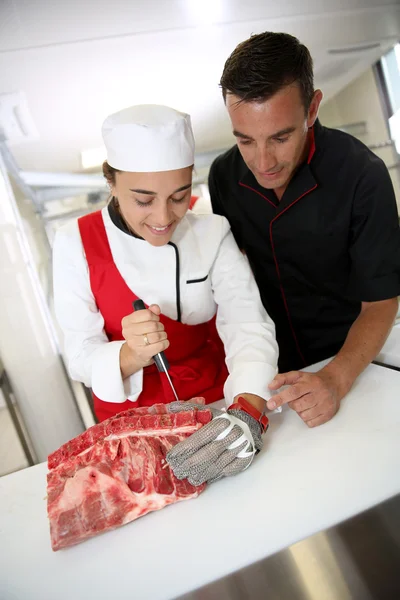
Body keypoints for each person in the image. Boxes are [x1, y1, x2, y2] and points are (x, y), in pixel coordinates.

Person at [53, 104, 278, 484]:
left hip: (217, 402)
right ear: (110, 182)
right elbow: (78, 353)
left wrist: (247, 410)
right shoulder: (74, 242)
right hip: (132, 422)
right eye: (143, 200)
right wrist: (129, 354)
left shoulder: (211, 233)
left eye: (178, 196)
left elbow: (248, 325)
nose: (162, 219)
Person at [209, 32, 400, 428]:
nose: (263, 162)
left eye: (280, 137)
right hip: (277, 375)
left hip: (355, 361)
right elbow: (237, 283)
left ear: (312, 109)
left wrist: (335, 378)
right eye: (245, 140)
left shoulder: (361, 175)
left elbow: (381, 303)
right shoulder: (223, 177)